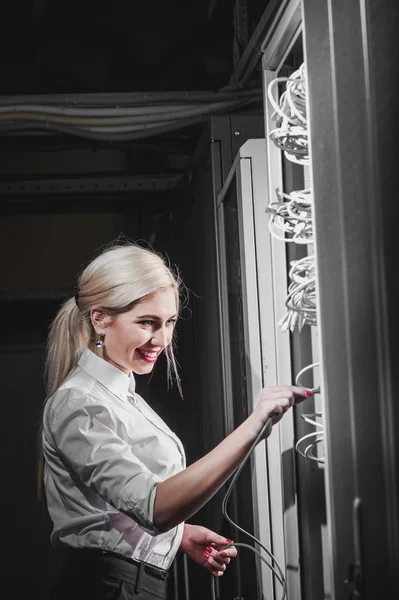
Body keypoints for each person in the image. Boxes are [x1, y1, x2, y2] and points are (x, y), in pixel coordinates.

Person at [39, 241, 311, 600]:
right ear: (100, 318)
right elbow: (155, 507)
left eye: (169, 322)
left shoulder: (118, 396)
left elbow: (125, 509)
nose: (162, 339)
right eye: (147, 323)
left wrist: (178, 537)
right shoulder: (80, 403)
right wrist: (253, 426)